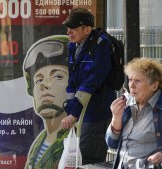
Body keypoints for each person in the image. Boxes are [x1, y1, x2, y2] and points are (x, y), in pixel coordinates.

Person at [105, 57, 162, 169]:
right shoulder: (127, 106)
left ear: (154, 86)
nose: (131, 86)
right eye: (130, 80)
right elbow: (111, 143)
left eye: (137, 81)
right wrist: (116, 118)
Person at [61, 8, 116, 164]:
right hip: (81, 115)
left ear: (87, 29)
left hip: (96, 114)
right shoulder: (73, 46)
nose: (69, 32)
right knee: (79, 159)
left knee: (89, 159)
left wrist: (74, 114)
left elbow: (92, 82)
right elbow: (72, 81)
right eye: (68, 28)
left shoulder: (101, 45)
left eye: (74, 28)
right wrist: (71, 110)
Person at [23, 35, 70, 169]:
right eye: (39, 80)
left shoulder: (75, 138)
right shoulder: (40, 140)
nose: (44, 85)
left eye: (57, 76)